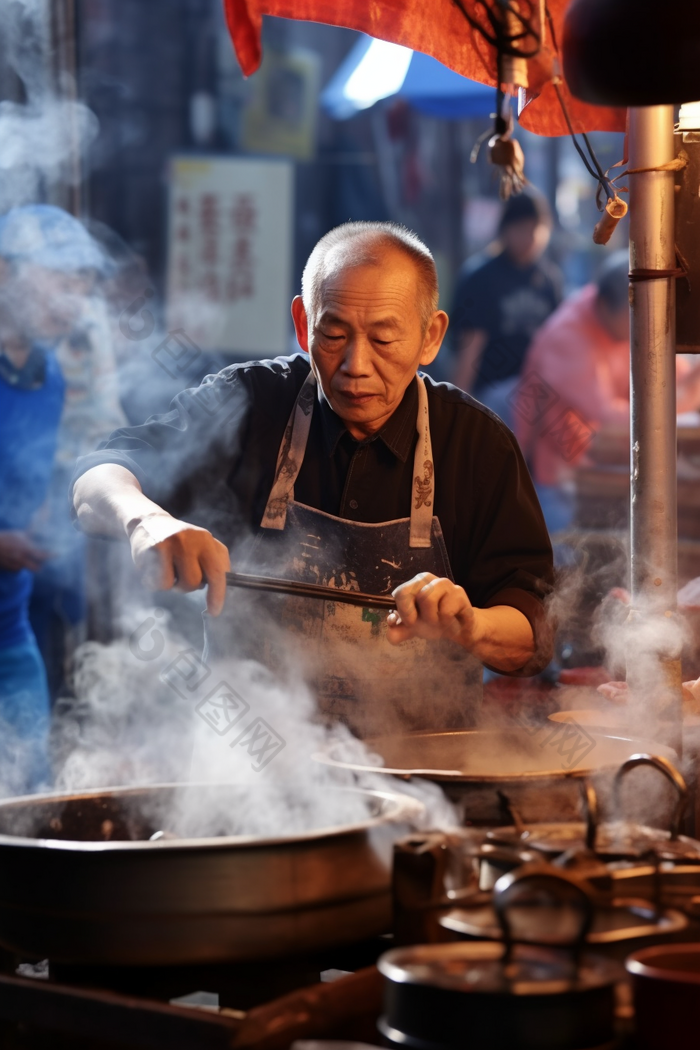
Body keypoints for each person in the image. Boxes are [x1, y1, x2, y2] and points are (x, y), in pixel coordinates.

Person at [71, 221, 554, 735]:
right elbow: (95, 478)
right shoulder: (251, 404)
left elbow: (535, 633)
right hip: (254, 771)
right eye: (334, 334)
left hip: (428, 775)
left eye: (385, 338)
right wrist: (144, 521)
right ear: (303, 325)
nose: (355, 365)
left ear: (431, 336)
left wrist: (472, 625)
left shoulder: (477, 446)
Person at [0, 204, 103, 792]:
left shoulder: (50, 375)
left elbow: (31, 478)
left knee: (28, 793)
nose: (73, 302)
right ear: (6, 272)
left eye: (82, 287)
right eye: (61, 281)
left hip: (10, 623)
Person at [513, 252, 700, 534]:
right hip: (562, 479)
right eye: (633, 319)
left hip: (604, 467)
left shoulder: (624, 318)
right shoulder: (568, 338)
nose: (640, 328)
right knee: (572, 564)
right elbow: (615, 418)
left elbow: (675, 377)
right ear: (605, 305)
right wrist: (682, 397)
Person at [450, 191, 562, 427]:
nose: (531, 236)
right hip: (491, 391)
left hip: (539, 390)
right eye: (522, 228)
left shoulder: (548, 280)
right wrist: (454, 412)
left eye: (537, 228)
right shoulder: (481, 278)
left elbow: (557, 345)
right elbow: (470, 347)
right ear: (505, 229)